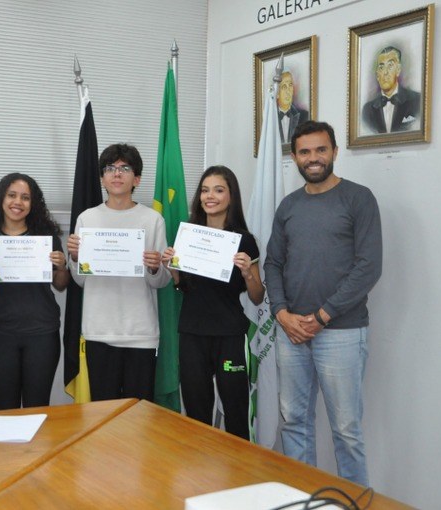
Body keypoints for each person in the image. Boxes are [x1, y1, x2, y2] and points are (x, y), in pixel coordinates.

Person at [264, 120, 382, 486]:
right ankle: (303, 497)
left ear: (334, 151)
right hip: (291, 331)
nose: (313, 158)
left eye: (320, 150)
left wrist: (321, 316)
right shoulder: (289, 205)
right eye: (304, 152)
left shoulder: (358, 198)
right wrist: (282, 313)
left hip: (341, 332)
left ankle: (356, 500)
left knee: (346, 430)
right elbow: (272, 263)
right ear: (295, 157)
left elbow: (369, 267)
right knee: (294, 422)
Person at [162, 166, 264, 439]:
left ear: (231, 196)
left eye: (218, 190)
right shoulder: (190, 236)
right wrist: (172, 267)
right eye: (205, 190)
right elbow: (184, 287)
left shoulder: (244, 240)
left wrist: (247, 272)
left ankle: (241, 475)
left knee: (236, 412)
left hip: (230, 334)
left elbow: (257, 296)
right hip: (193, 333)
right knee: (196, 415)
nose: (210, 196)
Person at [66, 143, 171, 402]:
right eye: (110, 168)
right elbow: (80, 281)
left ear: (136, 178)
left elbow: (161, 281)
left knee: (139, 417)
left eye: (124, 168)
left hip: (140, 333)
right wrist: (76, 258)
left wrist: (155, 267)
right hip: (99, 331)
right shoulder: (86, 219)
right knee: (103, 415)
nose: (116, 173)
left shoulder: (152, 219)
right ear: (102, 177)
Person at [0, 173, 69, 409]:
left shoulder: (46, 239)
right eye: (12, 195)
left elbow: (60, 284)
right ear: (1, 199)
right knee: (5, 408)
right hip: (1, 334)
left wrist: (62, 265)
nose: (18, 202)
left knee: (38, 407)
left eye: (25, 197)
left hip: (42, 333)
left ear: (33, 203)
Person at [361, 46, 421, 133]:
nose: (385, 72)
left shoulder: (417, 100)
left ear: (398, 70)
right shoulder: (367, 110)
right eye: (381, 67)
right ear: (377, 75)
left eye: (390, 66)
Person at [277, 70, 309, 144]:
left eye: (290, 85)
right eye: (284, 87)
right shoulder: (270, 118)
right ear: (277, 93)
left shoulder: (304, 115)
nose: (288, 91)